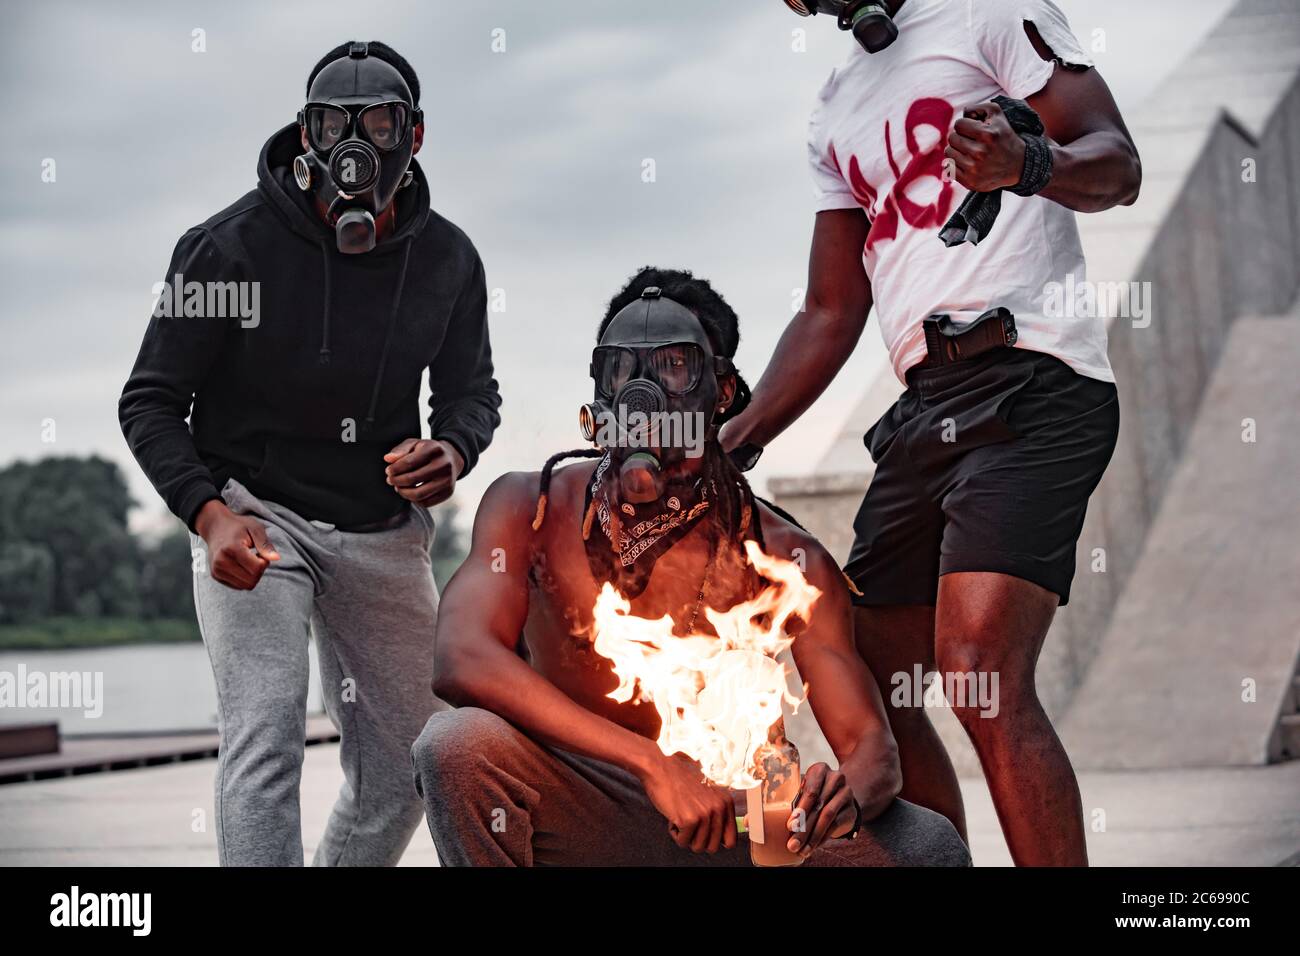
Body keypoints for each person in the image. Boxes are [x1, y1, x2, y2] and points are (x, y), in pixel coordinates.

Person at [721, 0, 1142, 865]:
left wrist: (1030, 162)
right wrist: (732, 442)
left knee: (978, 668)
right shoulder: (834, 107)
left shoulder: (989, 12)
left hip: (1034, 379)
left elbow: (1118, 165)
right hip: (925, 406)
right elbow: (831, 310)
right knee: (876, 670)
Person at [411, 267, 968, 867]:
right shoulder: (532, 506)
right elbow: (460, 658)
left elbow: (870, 748)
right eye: (623, 370)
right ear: (600, 390)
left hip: (736, 824)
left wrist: (840, 797)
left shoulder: (785, 557)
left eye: (675, 367)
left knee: (925, 847)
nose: (644, 395)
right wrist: (652, 763)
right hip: (587, 806)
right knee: (455, 747)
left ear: (721, 391)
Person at [118, 41, 501, 866]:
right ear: (304, 135)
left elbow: (472, 397)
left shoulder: (448, 259)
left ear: (416, 137)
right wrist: (209, 515)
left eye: (377, 127)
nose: (351, 148)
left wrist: (454, 449)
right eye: (330, 126)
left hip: (381, 529)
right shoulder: (226, 249)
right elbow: (149, 399)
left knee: (417, 761)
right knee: (266, 743)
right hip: (253, 519)